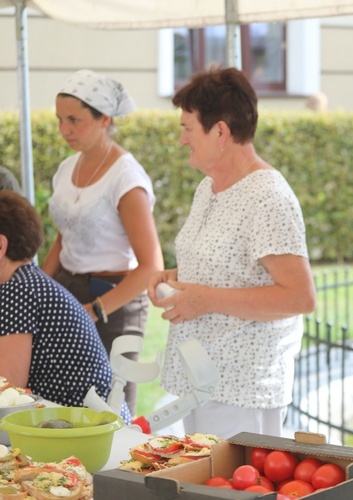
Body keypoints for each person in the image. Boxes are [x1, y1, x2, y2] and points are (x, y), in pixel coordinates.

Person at [148, 67, 316, 439]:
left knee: (236, 494)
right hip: (202, 379)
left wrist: (204, 299)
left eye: (187, 128)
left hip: (242, 390)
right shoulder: (209, 188)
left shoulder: (267, 197)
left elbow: (299, 297)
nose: (181, 140)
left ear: (220, 131)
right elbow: (229, 265)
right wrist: (177, 278)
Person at [42, 69, 164, 416]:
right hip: (68, 290)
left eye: (74, 120)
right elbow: (64, 236)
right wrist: (42, 289)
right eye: (59, 120)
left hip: (115, 301)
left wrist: (96, 309)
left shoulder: (126, 177)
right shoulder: (67, 169)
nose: (64, 130)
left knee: (112, 410)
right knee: (61, 400)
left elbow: (151, 266)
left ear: (104, 119)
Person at [0, 191, 129, 422]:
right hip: (85, 424)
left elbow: (8, 391)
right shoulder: (27, 283)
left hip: (82, 430)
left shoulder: (17, 289)